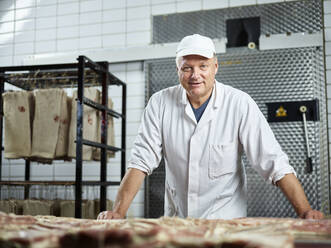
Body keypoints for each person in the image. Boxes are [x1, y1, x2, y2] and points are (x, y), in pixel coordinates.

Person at [98, 34, 324, 220]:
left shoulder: (239, 103)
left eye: (203, 66)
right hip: (178, 220)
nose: (195, 75)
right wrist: (118, 212)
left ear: (215, 67)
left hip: (226, 220)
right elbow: (140, 161)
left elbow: (273, 161)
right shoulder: (159, 103)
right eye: (187, 68)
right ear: (177, 70)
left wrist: (305, 211)